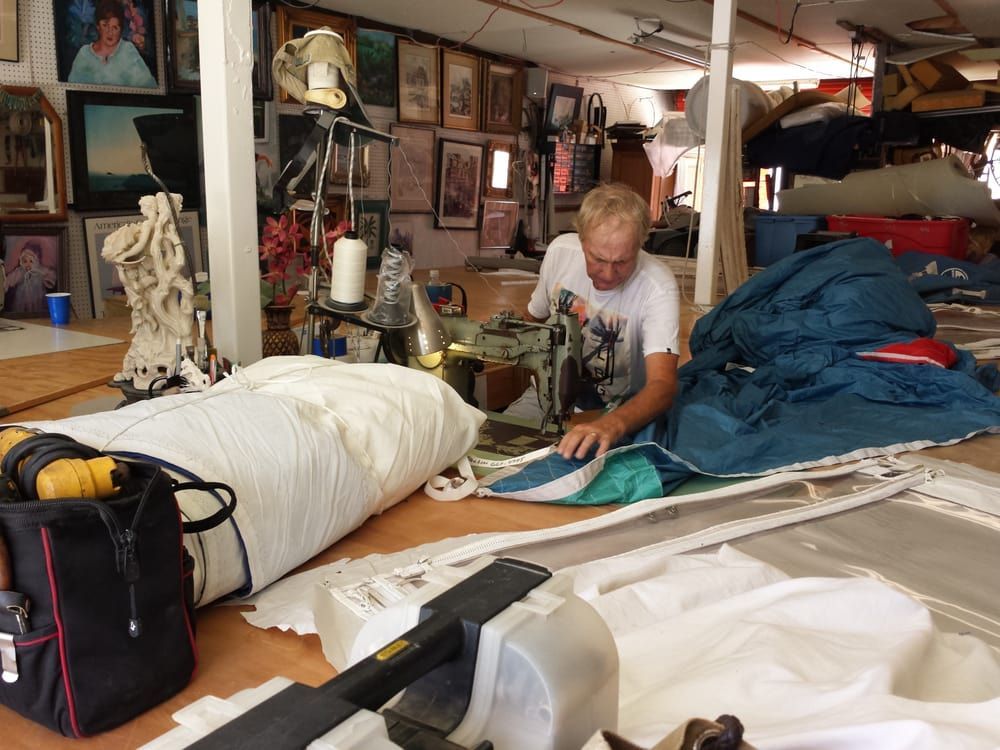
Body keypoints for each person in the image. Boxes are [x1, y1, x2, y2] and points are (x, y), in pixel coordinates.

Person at [515, 182, 680, 460]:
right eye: (598, 259)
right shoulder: (559, 254)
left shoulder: (657, 286)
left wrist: (611, 424)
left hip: (620, 412)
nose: (608, 273)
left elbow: (662, 386)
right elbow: (533, 318)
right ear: (582, 240)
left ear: (641, 244)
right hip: (546, 399)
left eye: (622, 262)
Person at [67, 0, 156, 88]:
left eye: (115, 27)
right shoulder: (84, 54)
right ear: (98, 26)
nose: (110, 32)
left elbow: (148, 85)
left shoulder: (128, 50)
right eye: (105, 25)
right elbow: (73, 89)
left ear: (121, 30)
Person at [3, 240, 57, 314]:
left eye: (31, 261)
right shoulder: (20, 271)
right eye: (25, 261)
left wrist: (41, 273)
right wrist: (5, 286)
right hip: (22, 298)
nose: (28, 264)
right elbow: (10, 279)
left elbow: (51, 277)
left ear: (36, 261)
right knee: (20, 309)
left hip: (37, 296)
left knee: (39, 308)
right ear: (21, 261)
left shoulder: (40, 270)